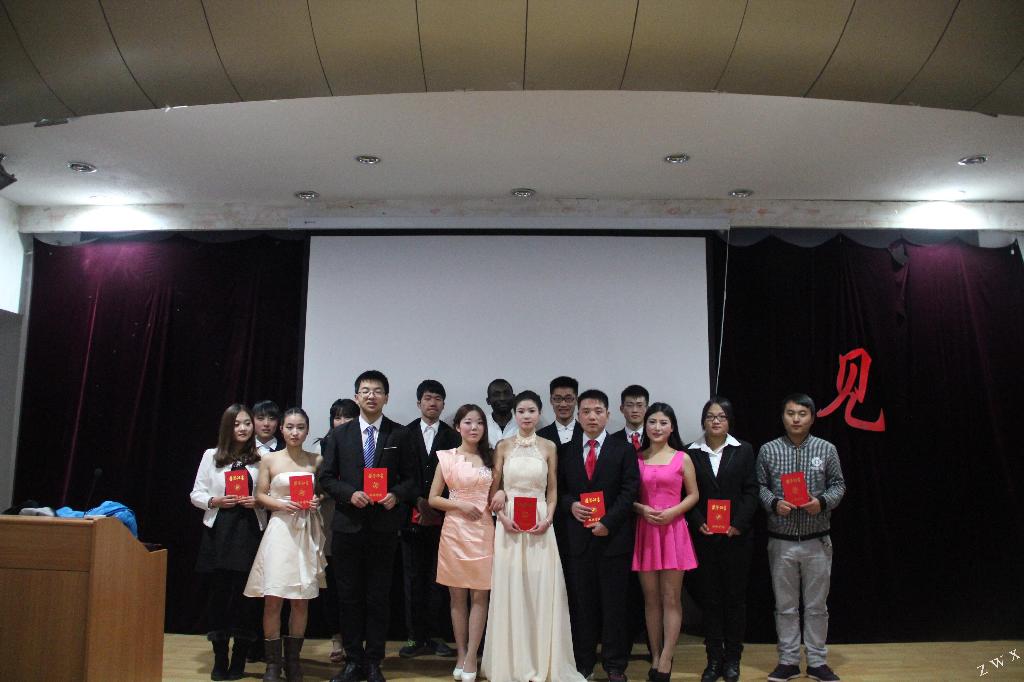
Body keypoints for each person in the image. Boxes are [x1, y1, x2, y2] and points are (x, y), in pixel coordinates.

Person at [481, 391, 584, 682]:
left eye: (531, 411)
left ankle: (542, 660)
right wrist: (502, 515)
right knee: (511, 586)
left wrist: (548, 518)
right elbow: (494, 489)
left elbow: (552, 489)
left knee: (540, 588)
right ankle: (511, 663)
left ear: (539, 414)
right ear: (515, 415)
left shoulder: (549, 446)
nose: (526, 416)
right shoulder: (502, 446)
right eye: (521, 411)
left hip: (540, 522)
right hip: (509, 522)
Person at [321, 370, 418, 682]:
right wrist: (349, 493)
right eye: (365, 391)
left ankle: (374, 661)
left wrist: (396, 495)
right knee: (348, 596)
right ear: (357, 397)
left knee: (378, 597)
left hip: (383, 528)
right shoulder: (339, 435)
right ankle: (353, 661)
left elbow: (412, 479)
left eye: (377, 391)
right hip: (347, 526)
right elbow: (326, 479)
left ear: (386, 397)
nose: (371, 396)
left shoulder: (400, 434)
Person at [758, 394, 846, 682]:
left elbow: (839, 485)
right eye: (790, 413)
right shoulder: (768, 450)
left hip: (817, 540)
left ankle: (818, 662)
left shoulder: (826, 449)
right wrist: (773, 503)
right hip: (781, 540)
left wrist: (822, 502)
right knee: (785, 606)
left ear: (812, 417)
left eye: (802, 413)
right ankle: (788, 661)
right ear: (782, 416)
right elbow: (759, 486)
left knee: (817, 606)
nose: (796, 419)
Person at [556, 389, 639, 681]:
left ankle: (615, 666)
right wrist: (570, 505)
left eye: (598, 411)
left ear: (608, 415)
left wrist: (608, 522)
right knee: (582, 606)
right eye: (586, 412)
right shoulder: (566, 450)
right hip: (577, 542)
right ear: (578, 416)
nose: (592, 417)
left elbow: (630, 490)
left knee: (615, 607)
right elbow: (559, 490)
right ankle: (584, 664)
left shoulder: (623, 449)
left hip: (613, 540)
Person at [245, 407, 326, 682]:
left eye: (300, 427)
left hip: (306, 530)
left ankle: (293, 663)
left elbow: (323, 491)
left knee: (301, 600)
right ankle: (272, 664)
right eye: (290, 427)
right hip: (280, 529)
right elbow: (260, 495)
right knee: (273, 598)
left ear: (307, 430)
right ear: (282, 429)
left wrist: (316, 500)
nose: (295, 432)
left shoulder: (316, 459)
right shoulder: (269, 459)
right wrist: (281, 504)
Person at [190, 404, 267, 681]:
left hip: (249, 529)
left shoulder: (262, 458)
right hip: (220, 530)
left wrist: (258, 501)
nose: (243, 428)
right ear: (227, 427)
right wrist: (215, 500)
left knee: (246, 598)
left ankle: (239, 658)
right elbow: (196, 493)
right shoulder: (211, 456)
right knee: (219, 596)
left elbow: (270, 494)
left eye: (247, 423)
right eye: (236, 424)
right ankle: (220, 657)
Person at [684, 397, 758, 682]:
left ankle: (733, 659)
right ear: (703, 421)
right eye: (710, 416)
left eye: (722, 416)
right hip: (704, 539)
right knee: (711, 600)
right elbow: (685, 494)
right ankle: (714, 659)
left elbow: (751, 490)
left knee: (735, 600)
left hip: (736, 538)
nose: (716, 421)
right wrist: (697, 521)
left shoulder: (744, 450)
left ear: (729, 421)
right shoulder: (690, 452)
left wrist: (738, 524)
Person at [428, 404, 495, 681]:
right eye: (468, 422)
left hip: (484, 531)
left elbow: (499, 492)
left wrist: (500, 496)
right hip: (455, 531)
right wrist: (460, 505)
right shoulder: (447, 457)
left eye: (479, 422)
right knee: (456, 596)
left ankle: (471, 657)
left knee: (480, 594)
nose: (474, 427)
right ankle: (461, 652)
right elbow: (433, 498)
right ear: (458, 427)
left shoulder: (492, 457)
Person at [633, 403, 699, 682]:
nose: (657, 427)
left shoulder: (682, 458)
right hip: (646, 531)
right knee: (651, 599)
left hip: (673, 531)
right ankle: (655, 653)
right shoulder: (636, 458)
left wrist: (673, 512)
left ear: (672, 427)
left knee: (671, 597)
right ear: (645, 426)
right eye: (652, 422)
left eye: (663, 423)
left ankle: (667, 657)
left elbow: (693, 495)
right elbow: (627, 496)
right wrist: (641, 509)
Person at [400, 380, 459, 659]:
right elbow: (399, 473)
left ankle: (436, 636)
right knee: (412, 578)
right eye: (427, 398)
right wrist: (417, 501)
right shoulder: (404, 434)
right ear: (419, 403)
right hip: (410, 516)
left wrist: (436, 505)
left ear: (443, 404)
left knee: (439, 578)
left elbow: (457, 477)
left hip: (443, 519)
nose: (432, 402)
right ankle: (414, 636)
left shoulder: (453, 436)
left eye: (437, 398)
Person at [314, 398, 359, 665]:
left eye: (347, 417)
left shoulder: (366, 445)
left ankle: (356, 641)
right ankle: (337, 639)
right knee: (331, 586)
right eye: (337, 417)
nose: (342, 422)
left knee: (355, 586)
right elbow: (316, 485)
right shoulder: (321, 448)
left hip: (358, 521)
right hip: (328, 523)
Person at [538, 376, 583, 446]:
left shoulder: (588, 433)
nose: (563, 404)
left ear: (576, 400)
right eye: (558, 399)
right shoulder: (539, 436)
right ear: (551, 400)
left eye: (568, 398)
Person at [610, 385, 649, 454]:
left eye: (639, 405)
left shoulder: (654, 438)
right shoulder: (611, 441)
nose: (635, 410)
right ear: (622, 409)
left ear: (647, 409)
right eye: (629, 405)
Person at [485, 378, 518, 448]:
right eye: (496, 395)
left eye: (506, 394)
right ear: (488, 400)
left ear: (514, 397)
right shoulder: (482, 424)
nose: (502, 398)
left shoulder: (523, 423)